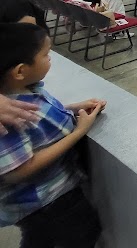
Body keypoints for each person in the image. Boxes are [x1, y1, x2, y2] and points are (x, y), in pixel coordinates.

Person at [0, 22, 103, 245]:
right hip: (47, 201)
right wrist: (78, 132)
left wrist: (73, 108)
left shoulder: (28, 89)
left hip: (52, 198)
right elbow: (17, 171)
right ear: (20, 71)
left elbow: (42, 114)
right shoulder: (8, 116)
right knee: (83, 231)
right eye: (46, 54)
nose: (50, 58)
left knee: (41, 237)